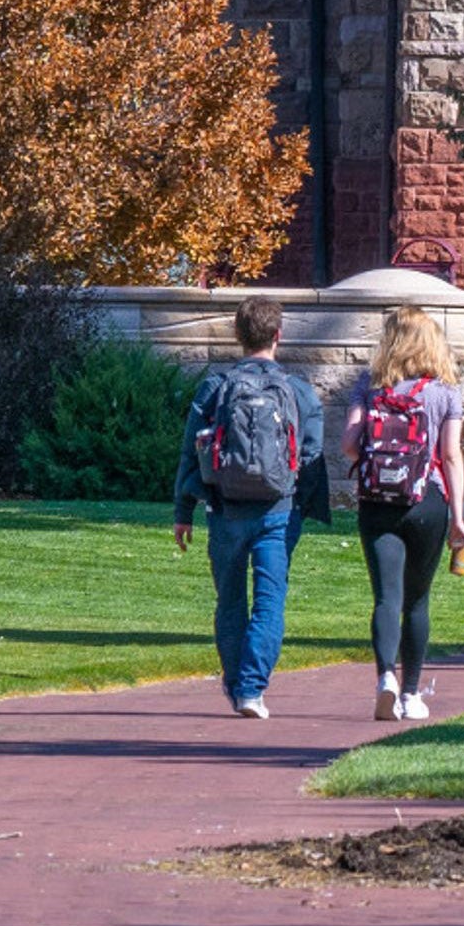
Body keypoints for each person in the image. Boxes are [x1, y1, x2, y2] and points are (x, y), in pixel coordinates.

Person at [174, 299, 329, 719]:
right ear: (278, 335)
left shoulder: (215, 387)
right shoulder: (296, 390)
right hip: (278, 511)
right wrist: (299, 508)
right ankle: (251, 688)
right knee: (269, 600)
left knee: (229, 600)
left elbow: (192, 452)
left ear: (238, 336)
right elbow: (312, 455)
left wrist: (182, 511)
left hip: (224, 509)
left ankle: (235, 682)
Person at [339, 305, 464, 721]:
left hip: (377, 502)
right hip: (427, 502)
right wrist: (458, 518)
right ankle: (412, 694)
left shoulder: (368, 385)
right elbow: (451, 456)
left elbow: (349, 445)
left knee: (385, 597)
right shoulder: (445, 392)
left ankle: (386, 676)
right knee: (416, 601)